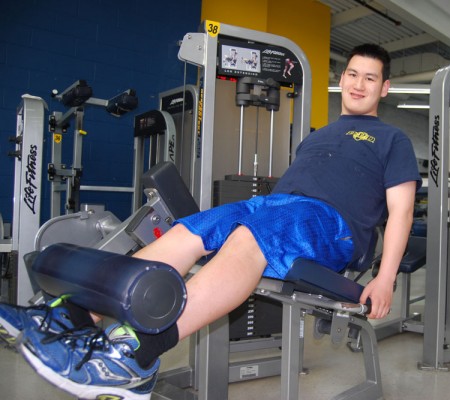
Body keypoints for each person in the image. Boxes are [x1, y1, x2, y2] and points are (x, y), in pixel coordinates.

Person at [0, 43, 421, 400]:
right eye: (352, 74)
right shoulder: (317, 135)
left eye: (370, 78)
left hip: (332, 226)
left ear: (383, 88)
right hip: (279, 205)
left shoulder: (391, 139)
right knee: (192, 229)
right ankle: (72, 317)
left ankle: (137, 356)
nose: (358, 84)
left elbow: (400, 210)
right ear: (343, 78)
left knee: (251, 237)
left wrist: (384, 278)